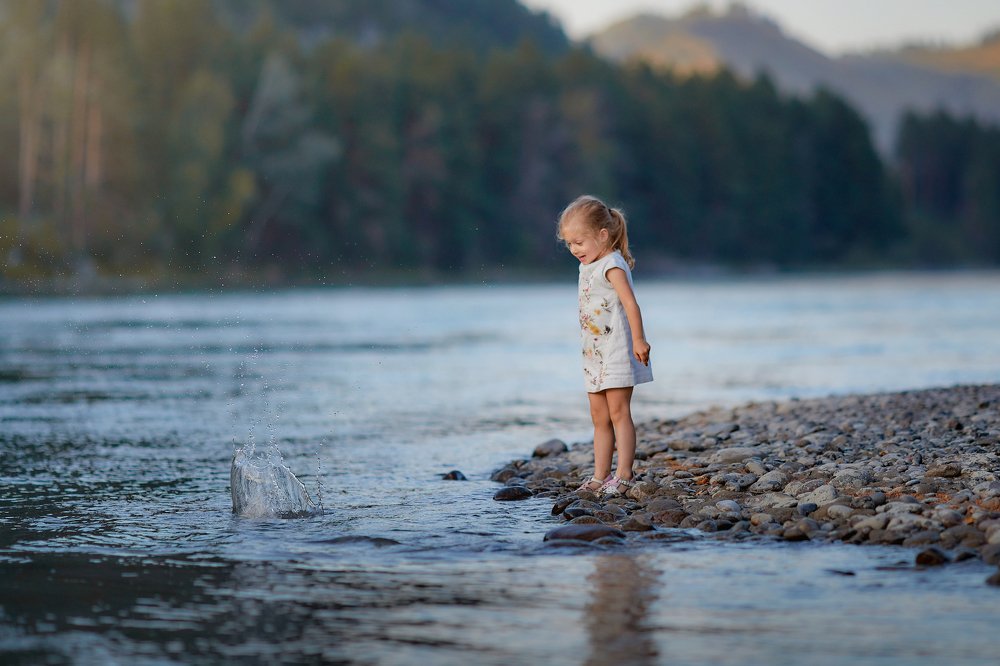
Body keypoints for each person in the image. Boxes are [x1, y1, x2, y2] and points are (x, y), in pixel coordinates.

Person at [557, 195, 653, 499]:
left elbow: (631, 305)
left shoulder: (612, 264)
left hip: (618, 350)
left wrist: (639, 339)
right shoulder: (588, 265)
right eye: (570, 244)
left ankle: (623, 474)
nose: (575, 250)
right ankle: (600, 475)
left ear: (602, 235)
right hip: (594, 352)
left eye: (580, 242)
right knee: (599, 417)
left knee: (619, 412)